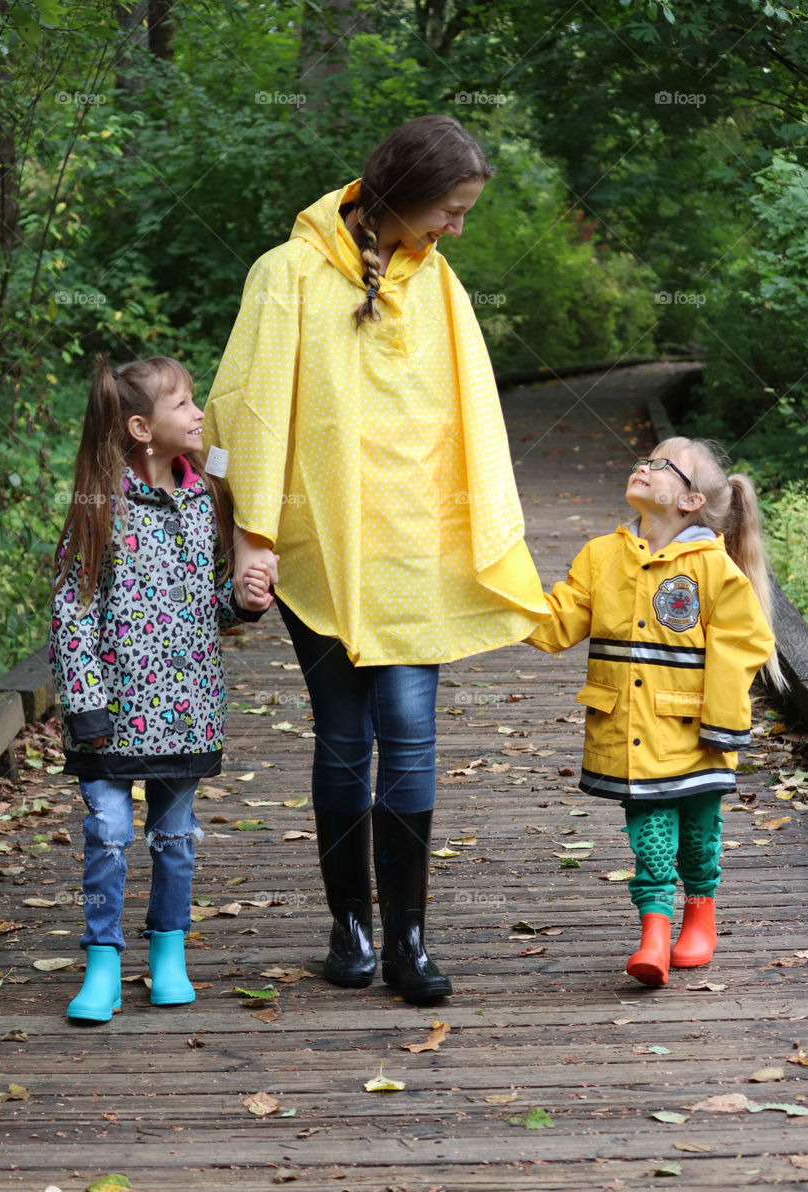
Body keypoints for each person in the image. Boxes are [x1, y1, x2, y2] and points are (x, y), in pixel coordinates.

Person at [204, 115, 550, 1003]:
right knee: (343, 737)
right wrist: (251, 538)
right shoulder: (284, 276)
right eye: (451, 211)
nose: (456, 230)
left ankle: (408, 936)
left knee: (409, 732)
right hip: (321, 548)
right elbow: (243, 410)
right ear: (399, 196)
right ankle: (347, 927)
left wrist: (486, 538)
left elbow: (473, 421)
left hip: (416, 552)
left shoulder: (442, 291)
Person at [50, 356, 266, 1022]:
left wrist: (242, 601)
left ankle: (167, 953)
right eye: (184, 404)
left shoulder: (205, 498)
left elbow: (209, 611)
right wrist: (85, 704)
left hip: (185, 710)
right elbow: (70, 610)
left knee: (175, 838)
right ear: (142, 428)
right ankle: (103, 962)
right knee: (109, 830)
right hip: (110, 712)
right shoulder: (100, 502)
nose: (199, 414)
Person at [526, 437, 782, 987]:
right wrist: (502, 594)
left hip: (696, 732)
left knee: (697, 834)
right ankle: (653, 930)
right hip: (629, 731)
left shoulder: (714, 569)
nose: (644, 466)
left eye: (663, 465)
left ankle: (700, 912)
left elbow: (742, 645)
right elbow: (556, 623)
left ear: (690, 502)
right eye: (645, 458)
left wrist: (722, 724)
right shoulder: (601, 557)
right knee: (649, 834)